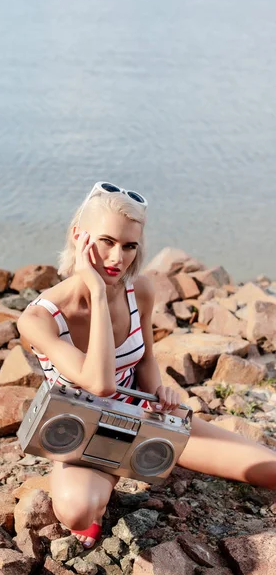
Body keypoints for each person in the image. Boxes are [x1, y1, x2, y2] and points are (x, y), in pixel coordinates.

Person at [17, 182, 276, 549]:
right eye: (106, 241)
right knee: (77, 511)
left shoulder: (140, 290)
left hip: (146, 421)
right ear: (79, 236)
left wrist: (158, 391)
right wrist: (97, 294)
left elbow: (146, 360)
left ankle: (132, 465)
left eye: (129, 246)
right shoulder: (39, 319)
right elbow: (100, 384)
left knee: (269, 469)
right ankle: (112, 472)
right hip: (82, 433)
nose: (117, 258)